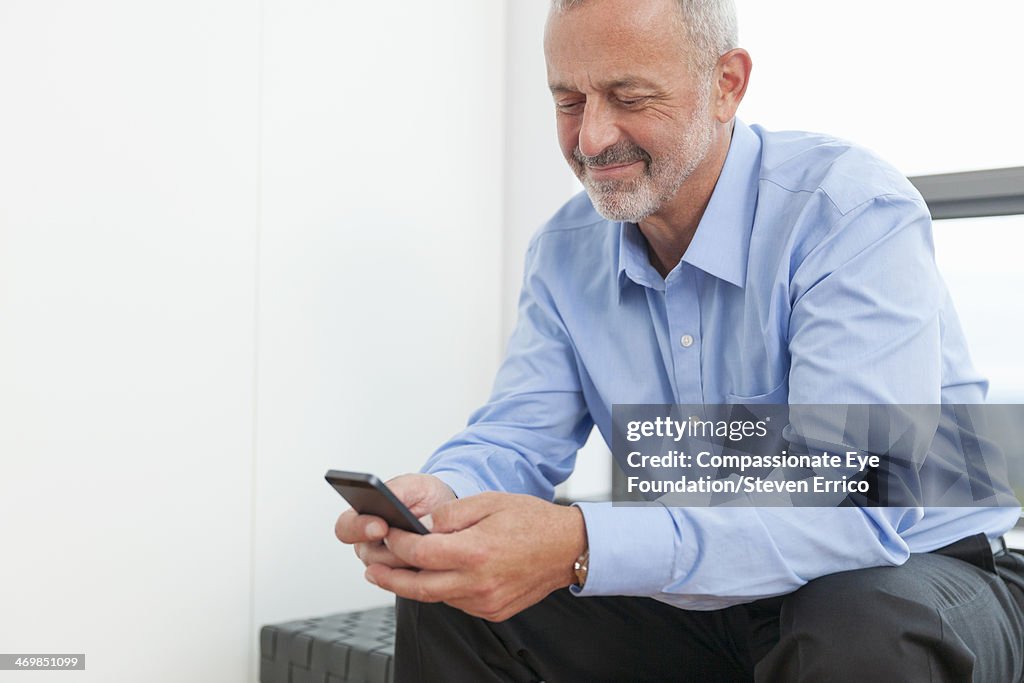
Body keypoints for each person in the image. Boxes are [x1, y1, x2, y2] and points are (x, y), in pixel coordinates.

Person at [336, 0, 1024, 680]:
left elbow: (851, 506)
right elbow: (516, 435)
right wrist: (442, 500)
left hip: (917, 569)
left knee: (855, 626)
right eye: (569, 100)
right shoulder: (565, 250)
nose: (593, 138)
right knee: (451, 600)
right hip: (710, 594)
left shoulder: (848, 209)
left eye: (629, 96)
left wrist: (580, 542)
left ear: (726, 84)